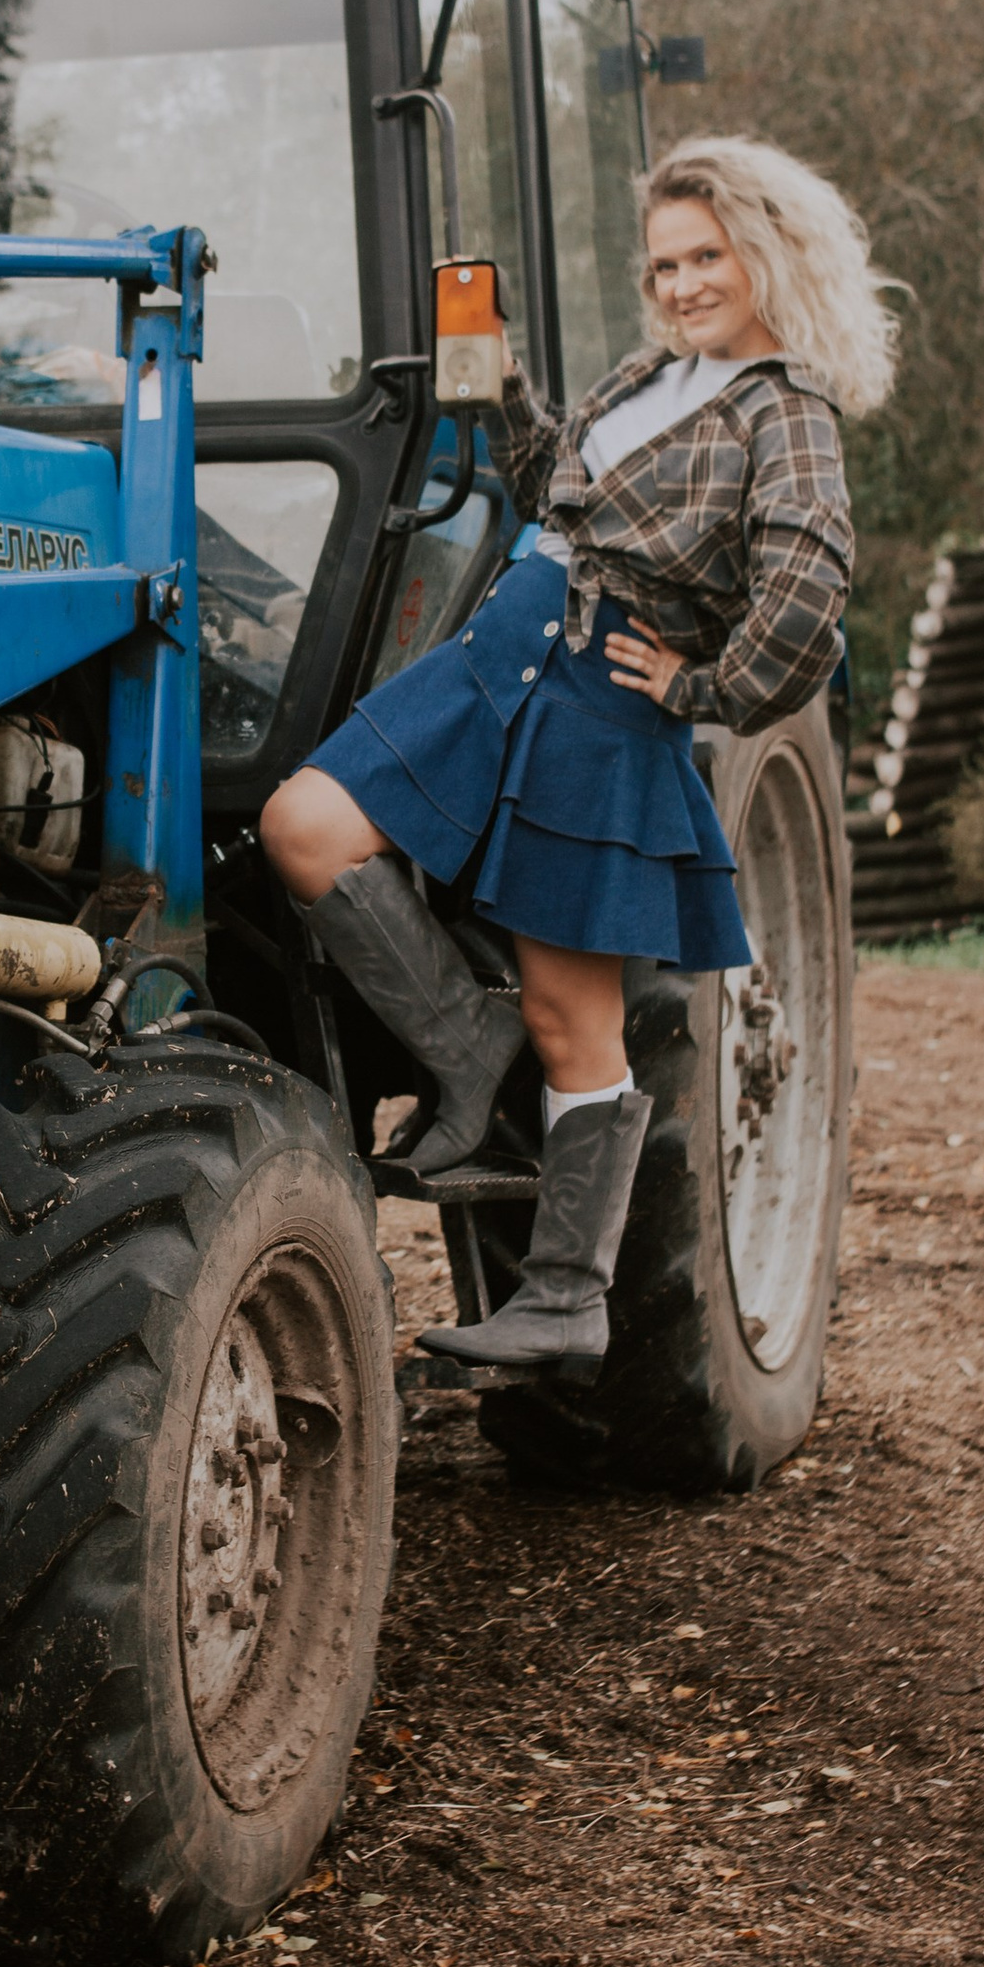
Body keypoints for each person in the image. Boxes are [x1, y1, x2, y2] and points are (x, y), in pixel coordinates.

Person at [260, 135, 897, 1382]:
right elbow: (549, 483)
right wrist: (498, 381)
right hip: (496, 657)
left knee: (572, 1020)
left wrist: (700, 689)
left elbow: (808, 602)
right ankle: (464, 1045)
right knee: (304, 827)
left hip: (595, 706)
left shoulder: (784, 415)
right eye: (664, 264)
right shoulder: (654, 376)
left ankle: (563, 1300)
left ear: (765, 255)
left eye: (706, 256)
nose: (682, 284)